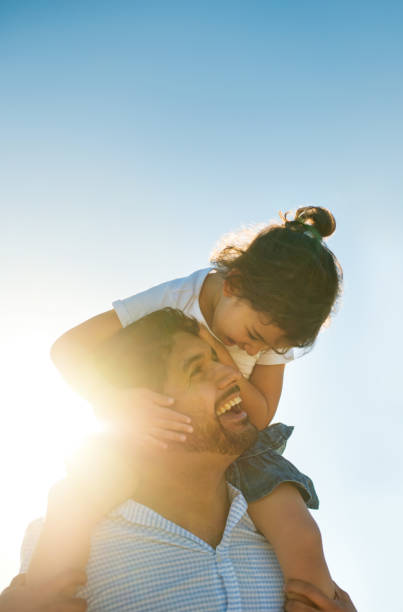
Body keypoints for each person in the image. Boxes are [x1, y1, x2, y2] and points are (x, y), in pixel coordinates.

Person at [48, 206, 343, 599]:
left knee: (298, 526)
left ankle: (316, 600)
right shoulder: (176, 297)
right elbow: (69, 348)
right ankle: (42, 589)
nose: (255, 349)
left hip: (244, 442)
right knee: (85, 488)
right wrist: (113, 400)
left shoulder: (269, 332)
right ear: (233, 285)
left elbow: (260, 414)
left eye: (271, 348)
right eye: (253, 334)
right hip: (159, 430)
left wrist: (221, 361)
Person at [15, 309, 356, 611]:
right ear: (143, 410)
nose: (231, 375)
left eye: (217, 360)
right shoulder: (69, 536)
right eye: (196, 371)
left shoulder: (279, 532)